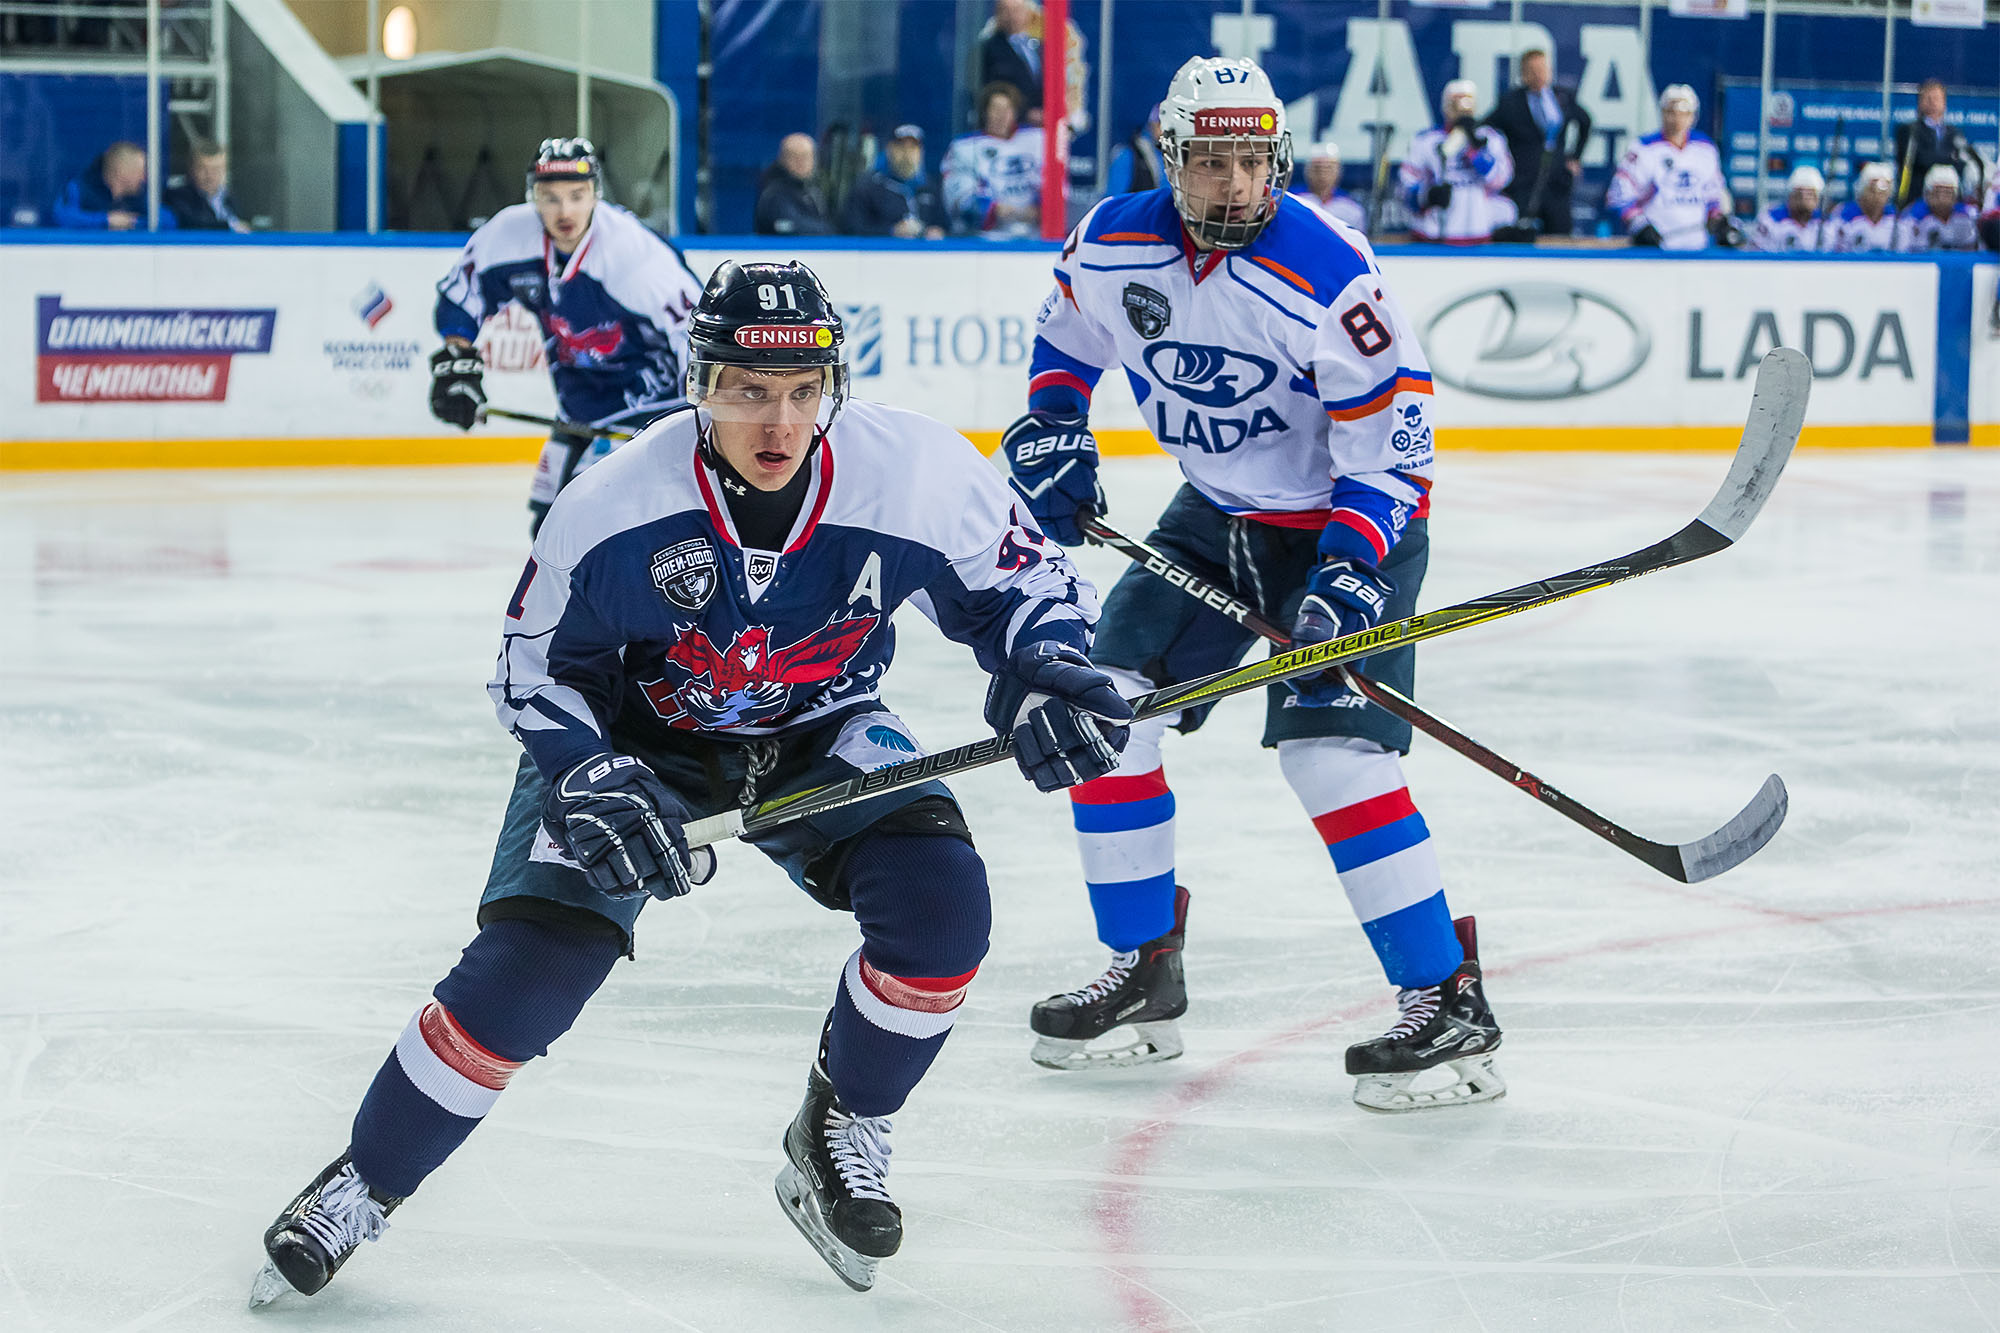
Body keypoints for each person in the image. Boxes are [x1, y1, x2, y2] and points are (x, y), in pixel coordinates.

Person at [250, 259, 1131, 1303]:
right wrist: (586, 771)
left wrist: (1046, 676)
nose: (778, 421)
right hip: (641, 744)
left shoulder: (915, 472)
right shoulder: (616, 503)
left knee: (943, 916)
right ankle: (365, 1178)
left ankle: (840, 1120)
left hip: (824, 725)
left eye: (804, 391)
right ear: (699, 383)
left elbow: (1024, 587)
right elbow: (533, 669)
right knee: (528, 975)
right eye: (748, 391)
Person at [1004, 56, 1504, 1113]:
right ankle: (1143, 971)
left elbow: (1395, 452)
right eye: (1210, 161)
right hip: (1217, 518)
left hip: (1343, 526)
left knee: (1329, 756)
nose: (1234, 185)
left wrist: (1351, 572)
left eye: (1250, 161)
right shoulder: (1111, 242)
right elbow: (1065, 337)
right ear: (1167, 156)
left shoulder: (1328, 274)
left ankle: (1445, 999)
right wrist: (1052, 425)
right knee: (1106, 711)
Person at [431, 138, 705, 534]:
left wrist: (698, 419)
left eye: (577, 196)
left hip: (648, 403)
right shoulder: (509, 234)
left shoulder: (633, 254)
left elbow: (695, 334)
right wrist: (456, 363)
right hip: (578, 404)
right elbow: (463, 296)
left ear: (596, 194)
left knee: (596, 524)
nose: (565, 211)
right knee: (548, 524)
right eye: (550, 198)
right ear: (533, 198)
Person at [1607, 84, 1734, 251]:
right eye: (1671, 112)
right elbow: (1619, 195)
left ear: (1693, 116)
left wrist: (1719, 220)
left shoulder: (1705, 148)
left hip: (1697, 248)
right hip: (1656, 249)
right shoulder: (1643, 148)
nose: (1677, 119)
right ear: (1662, 113)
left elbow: (1713, 196)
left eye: (1684, 113)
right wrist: (1640, 225)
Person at [1481, 49, 1592, 237]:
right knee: (1519, 236)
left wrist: (1575, 157)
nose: (1538, 74)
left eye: (1542, 69)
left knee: (1560, 236)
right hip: (1523, 183)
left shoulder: (1562, 97)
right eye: (1532, 70)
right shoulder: (1510, 102)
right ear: (1523, 74)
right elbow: (1485, 129)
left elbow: (1585, 121)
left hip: (1556, 183)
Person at [1400, 80, 1515, 244]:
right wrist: (1428, 195)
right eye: (1456, 104)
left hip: (1479, 232)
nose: (1462, 111)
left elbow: (1502, 179)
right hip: (1435, 234)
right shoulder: (1426, 140)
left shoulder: (1490, 139)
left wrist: (1476, 152)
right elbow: (1407, 186)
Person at [942, 82, 1044, 237]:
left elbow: (1056, 184)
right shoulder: (965, 147)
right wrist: (993, 210)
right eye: (995, 109)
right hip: (987, 241)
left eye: (1007, 109)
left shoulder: (1038, 139)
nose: (1001, 115)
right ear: (985, 112)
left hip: (1034, 238)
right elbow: (958, 199)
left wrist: (1042, 209)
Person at [840, 124, 947, 239]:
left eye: (913, 148)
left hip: (925, 255)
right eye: (901, 147)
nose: (907, 155)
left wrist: (938, 232)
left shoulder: (929, 187)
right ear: (889, 150)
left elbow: (948, 226)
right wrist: (891, 231)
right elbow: (852, 229)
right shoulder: (868, 187)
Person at [50, 140, 171, 231]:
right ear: (122, 171)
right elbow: (61, 216)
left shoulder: (139, 195)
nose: (145, 178)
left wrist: (134, 222)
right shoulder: (80, 189)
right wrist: (106, 220)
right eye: (140, 171)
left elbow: (169, 221)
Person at [1893, 80, 1974, 209]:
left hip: (1950, 202)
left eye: (1936, 98)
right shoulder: (1909, 130)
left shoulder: (1955, 132)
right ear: (1920, 102)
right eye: (1927, 98)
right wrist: (1950, 158)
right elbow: (1920, 159)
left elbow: (1962, 162)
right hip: (1916, 199)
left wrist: (1950, 160)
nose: (1932, 102)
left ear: (1944, 102)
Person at [754, 133, 834, 237]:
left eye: (806, 156)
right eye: (794, 156)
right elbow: (794, 227)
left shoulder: (814, 192)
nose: (801, 162)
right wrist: (829, 230)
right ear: (783, 159)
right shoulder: (774, 195)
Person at [979, 0, 1045, 123]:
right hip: (1010, 126)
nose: (1012, 16)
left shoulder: (1039, 46)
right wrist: (1025, 112)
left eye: (1017, 10)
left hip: (1041, 128)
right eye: (1006, 10)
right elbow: (992, 88)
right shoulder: (990, 48)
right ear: (998, 15)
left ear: (1027, 13)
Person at [162, 138, 248, 231]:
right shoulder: (178, 196)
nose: (210, 176)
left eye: (216, 169)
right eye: (203, 169)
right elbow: (194, 223)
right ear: (191, 169)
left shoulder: (231, 198)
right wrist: (230, 227)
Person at [1895, 164, 1979, 251]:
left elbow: (1974, 250)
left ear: (1955, 196)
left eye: (1947, 192)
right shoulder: (1912, 217)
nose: (1942, 198)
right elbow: (1904, 252)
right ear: (1927, 194)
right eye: (1937, 192)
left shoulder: (1967, 216)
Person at [1296, 140, 1367, 233]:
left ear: (1338, 171)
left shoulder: (1352, 209)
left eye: (1328, 168)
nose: (1322, 174)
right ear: (1307, 171)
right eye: (1317, 168)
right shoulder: (1295, 201)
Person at [1750, 166, 1826, 252]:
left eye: (1810, 194)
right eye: (1800, 193)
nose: (1804, 198)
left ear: (1817, 198)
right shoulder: (1770, 219)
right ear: (1790, 195)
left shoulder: (1826, 223)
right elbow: (1756, 255)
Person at [1830, 162, 1897, 252]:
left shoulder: (1896, 221)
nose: (1877, 197)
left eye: (1883, 193)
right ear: (1862, 190)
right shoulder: (1844, 217)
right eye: (1872, 191)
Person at [1104, 103, 1166, 196]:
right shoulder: (1128, 155)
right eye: (1161, 124)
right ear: (1151, 125)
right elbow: (1114, 199)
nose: (1165, 131)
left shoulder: (1178, 156)